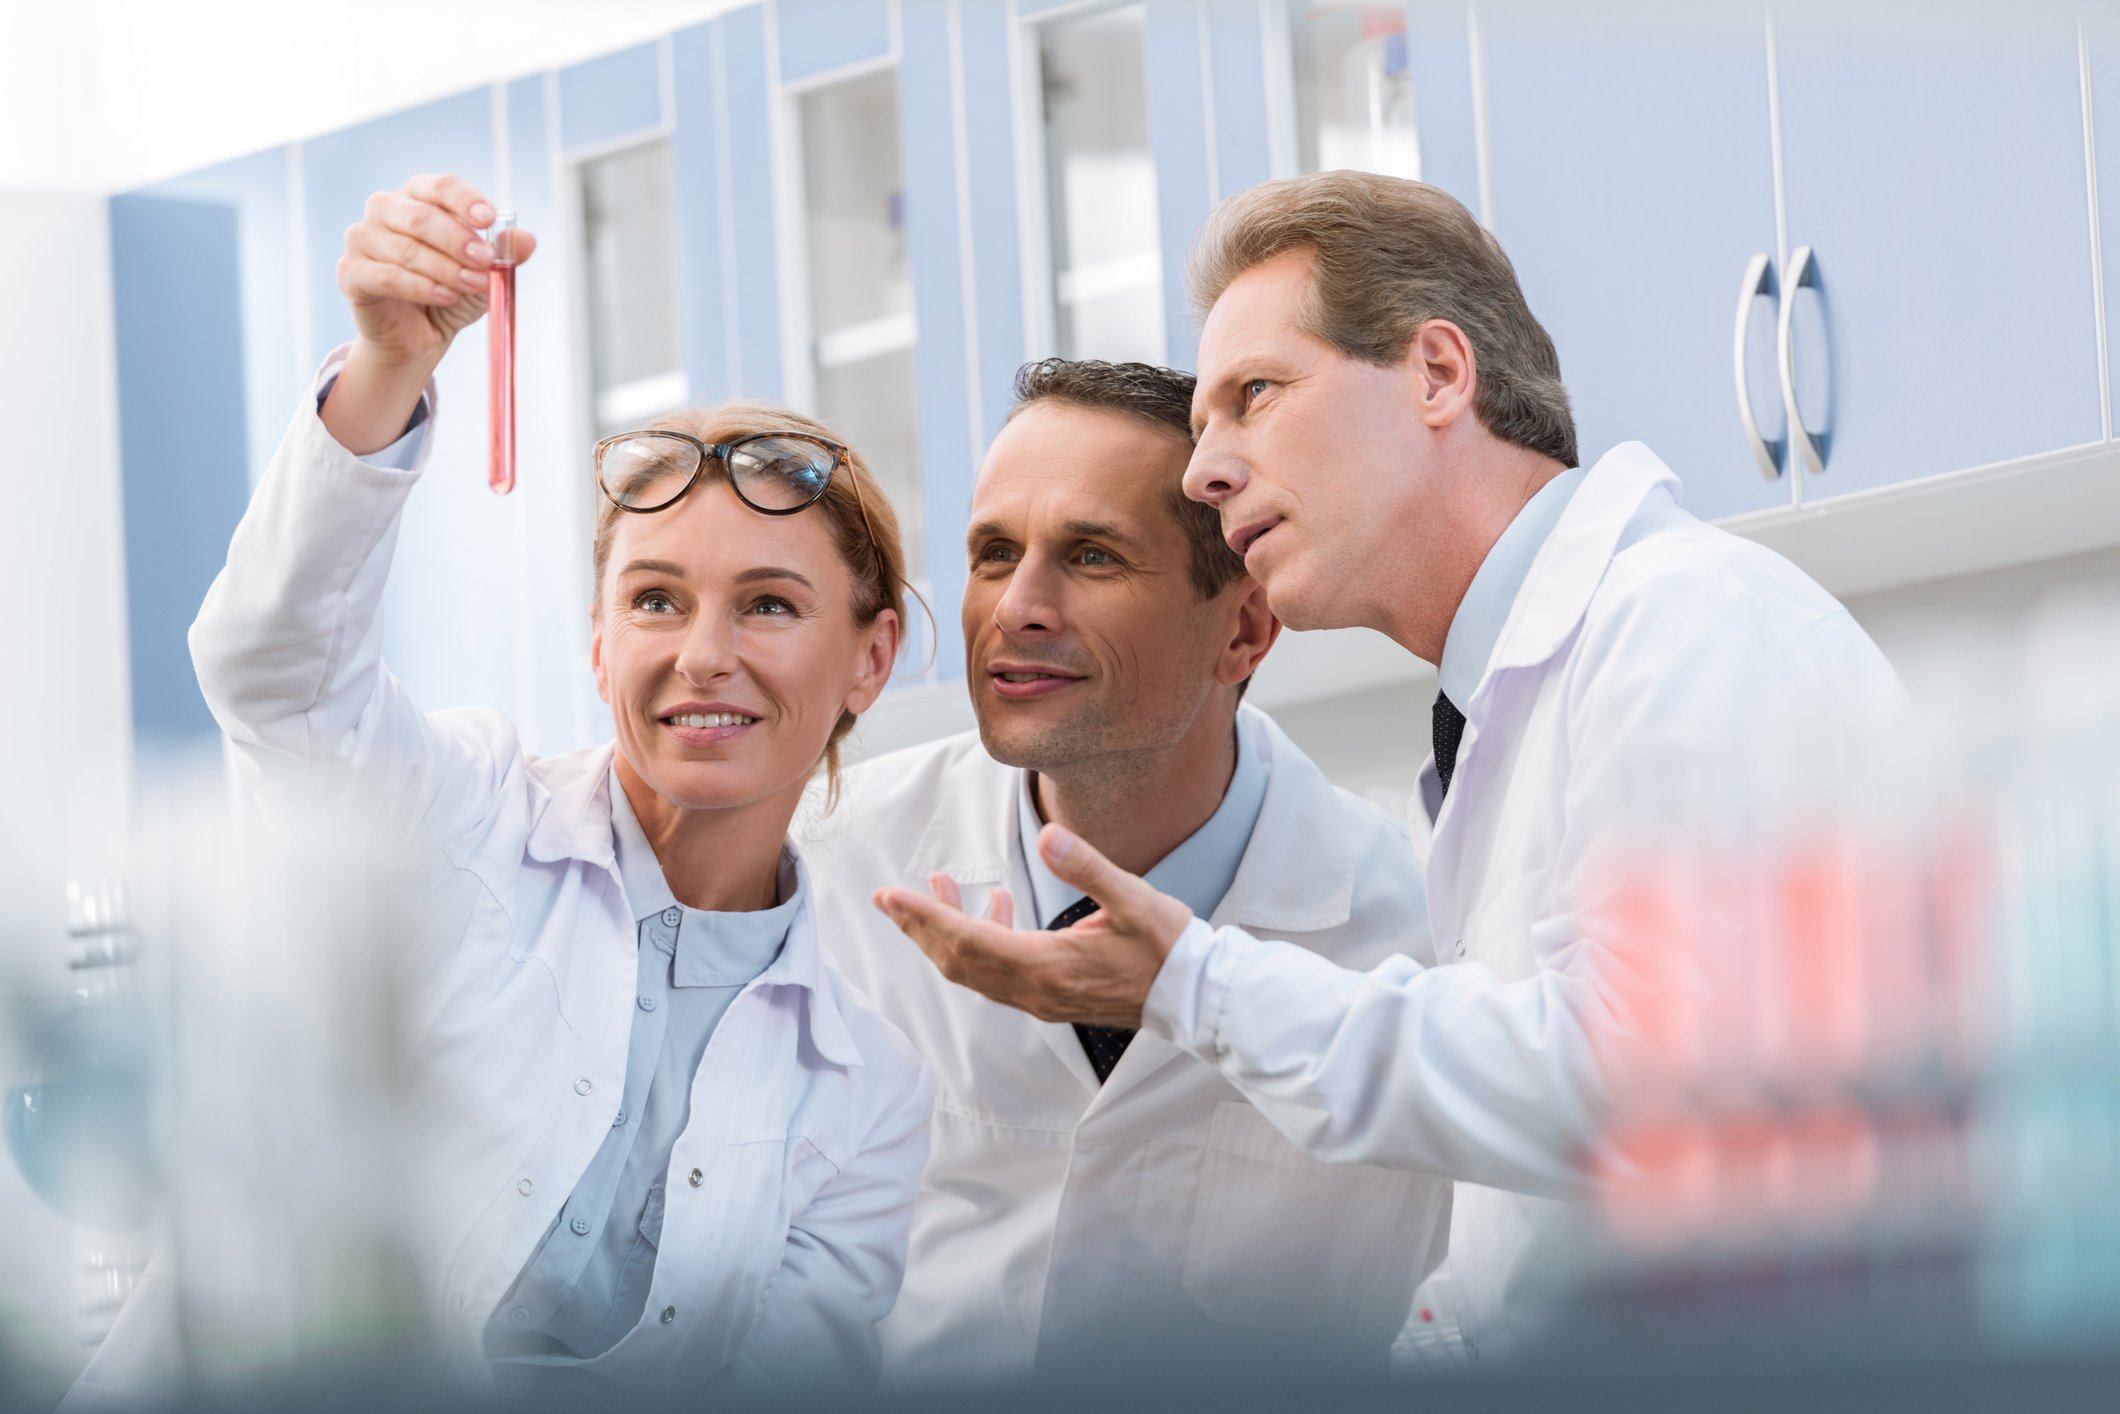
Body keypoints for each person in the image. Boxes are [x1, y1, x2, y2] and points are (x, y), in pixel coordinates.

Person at [872, 172, 1909, 1361]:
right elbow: (1547, 1204)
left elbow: (1648, 1093)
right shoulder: (1509, 708)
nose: (1204, 472)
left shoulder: (1688, 627)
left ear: (1435, 374)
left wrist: (1194, 985)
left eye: (1251, 396)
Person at [75, 173, 931, 1403]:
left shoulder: (868, 1090)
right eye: (655, 600)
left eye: (769, 604)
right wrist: (385, 363)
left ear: (870, 657)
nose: (703, 652)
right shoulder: (460, 814)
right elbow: (272, 672)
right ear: (595, 642)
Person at [801, 358, 1450, 1385]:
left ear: (1241, 629)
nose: (1016, 606)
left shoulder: (1401, 933)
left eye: (1091, 556)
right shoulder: (837, 864)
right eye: (991, 551)